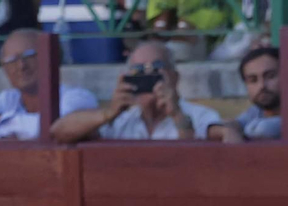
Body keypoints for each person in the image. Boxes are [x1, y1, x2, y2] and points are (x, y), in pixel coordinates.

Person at [50, 41, 223, 142]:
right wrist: (109, 113)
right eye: (139, 70)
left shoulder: (201, 115)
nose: (147, 75)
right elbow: (58, 131)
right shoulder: (121, 120)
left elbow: (197, 162)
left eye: (156, 67)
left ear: (175, 77)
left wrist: (177, 114)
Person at [0, 28, 98, 140]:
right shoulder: (8, 99)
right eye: (12, 60)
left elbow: (56, 127)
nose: (21, 66)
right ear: (4, 68)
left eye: (29, 55)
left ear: (52, 58)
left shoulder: (78, 97)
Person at [224, 45, 288, 142]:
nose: (262, 85)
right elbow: (230, 123)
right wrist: (230, 130)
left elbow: (262, 129)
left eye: (270, 76)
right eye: (253, 80)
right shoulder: (255, 113)